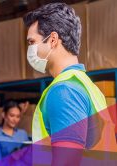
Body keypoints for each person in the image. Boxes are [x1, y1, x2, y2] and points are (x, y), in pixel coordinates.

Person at [23, 2, 117, 165]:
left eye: (31, 42)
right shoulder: (86, 85)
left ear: (52, 40)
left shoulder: (64, 91)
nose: (29, 49)